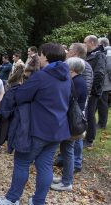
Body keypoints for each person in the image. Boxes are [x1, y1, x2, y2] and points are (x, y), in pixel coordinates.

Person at [0, 43, 71, 205]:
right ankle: (38, 201)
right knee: (44, 166)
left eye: (41, 55)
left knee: (22, 162)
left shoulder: (42, 76)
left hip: (37, 129)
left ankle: (11, 199)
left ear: (47, 56)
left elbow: (21, 95)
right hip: (57, 130)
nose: (40, 58)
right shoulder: (67, 77)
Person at [54, 43, 93, 173]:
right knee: (73, 141)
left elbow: (73, 97)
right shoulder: (76, 79)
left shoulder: (78, 81)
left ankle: (74, 165)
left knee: (74, 140)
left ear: (72, 70)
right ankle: (69, 164)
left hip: (75, 114)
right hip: (76, 111)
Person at [51, 57, 87, 192]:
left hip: (71, 122)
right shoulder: (78, 81)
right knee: (67, 151)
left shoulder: (76, 82)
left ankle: (67, 182)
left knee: (68, 151)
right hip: (72, 121)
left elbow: (68, 101)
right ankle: (66, 179)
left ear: (71, 69)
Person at [84, 35, 106, 148]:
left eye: (85, 42)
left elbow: (99, 74)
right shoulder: (89, 55)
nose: (84, 44)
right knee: (87, 113)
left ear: (92, 43)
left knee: (90, 114)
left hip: (93, 91)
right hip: (88, 89)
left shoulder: (99, 55)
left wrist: (91, 89)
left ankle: (90, 139)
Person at [97, 37, 111, 129]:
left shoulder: (108, 53)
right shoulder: (105, 52)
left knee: (102, 104)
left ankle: (102, 123)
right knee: (102, 103)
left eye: (98, 44)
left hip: (105, 83)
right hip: (104, 82)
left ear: (102, 44)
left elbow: (110, 68)